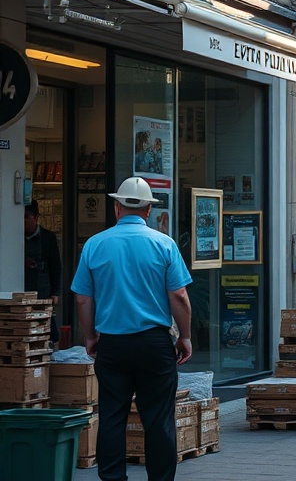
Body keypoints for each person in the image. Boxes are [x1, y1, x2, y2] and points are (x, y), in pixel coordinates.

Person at [71, 177, 192, 481]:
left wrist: (90, 336)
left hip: (112, 343)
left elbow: (83, 299)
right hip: (154, 344)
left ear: (116, 207)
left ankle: (113, 478)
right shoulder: (164, 243)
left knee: (112, 416)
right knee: (158, 419)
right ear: (149, 209)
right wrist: (186, 336)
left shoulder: (94, 245)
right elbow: (178, 296)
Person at [24, 200, 62, 343]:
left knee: (45, 325)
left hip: (42, 289)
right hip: (22, 288)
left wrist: (55, 292)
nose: (24, 221)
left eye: (27, 216)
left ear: (36, 217)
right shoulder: (13, 238)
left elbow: (56, 266)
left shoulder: (48, 238)